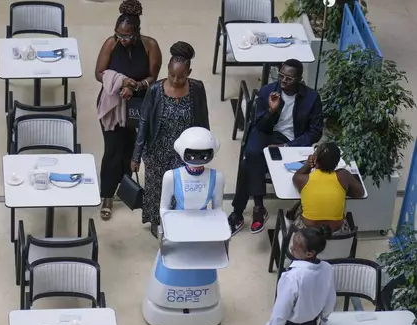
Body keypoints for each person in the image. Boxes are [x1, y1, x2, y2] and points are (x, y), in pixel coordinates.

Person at [229, 59, 324, 236]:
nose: (283, 81)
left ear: (299, 79)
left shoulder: (312, 98)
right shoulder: (267, 91)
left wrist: (287, 146)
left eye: (289, 78)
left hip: (291, 141)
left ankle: (237, 214)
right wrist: (271, 111)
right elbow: (260, 126)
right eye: (281, 76)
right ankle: (258, 207)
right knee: (251, 151)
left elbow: (315, 132)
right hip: (266, 132)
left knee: (246, 164)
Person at [131, 41, 210, 237]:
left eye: (181, 76)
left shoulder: (197, 89)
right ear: (167, 68)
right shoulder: (155, 90)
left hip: (183, 152)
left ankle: (175, 222)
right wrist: (136, 156)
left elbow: (203, 122)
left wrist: (205, 151)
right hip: (157, 150)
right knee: (156, 189)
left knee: (179, 190)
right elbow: (144, 123)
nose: (175, 80)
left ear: (189, 72)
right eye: (172, 75)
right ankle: (156, 221)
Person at [95, 0, 162, 221]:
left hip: (138, 105)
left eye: (127, 36)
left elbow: (153, 77)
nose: (122, 40)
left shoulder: (151, 45)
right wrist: (121, 82)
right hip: (114, 105)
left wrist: (137, 86)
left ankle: (124, 187)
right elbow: (99, 73)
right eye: (119, 35)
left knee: (132, 149)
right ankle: (106, 195)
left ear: (137, 32)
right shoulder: (110, 44)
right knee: (112, 150)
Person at [290, 142, 365, 232]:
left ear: (316, 159)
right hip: (337, 235)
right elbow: (360, 193)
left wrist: (308, 163)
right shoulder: (343, 176)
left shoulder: (304, 180)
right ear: (337, 162)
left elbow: (297, 175)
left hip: (308, 236)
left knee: (299, 207)